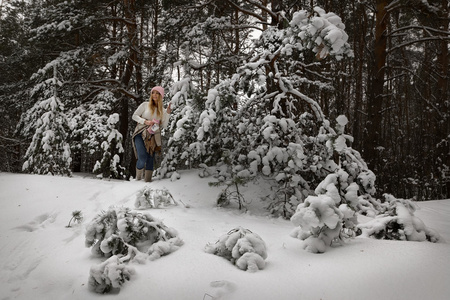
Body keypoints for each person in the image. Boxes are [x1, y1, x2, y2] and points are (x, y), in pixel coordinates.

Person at [132, 86, 172, 182]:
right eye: (153, 92)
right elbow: (134, 116)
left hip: (153, 135)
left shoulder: (162, 109)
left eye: (157, 93)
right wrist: (145, 121)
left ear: (161, 96)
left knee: (150, 158)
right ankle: (138, 179)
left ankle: (148, 182)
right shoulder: (145, 105)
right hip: (140, 132)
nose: (154, 95)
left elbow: (164, 125)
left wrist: (168, 113)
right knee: (142, 157)